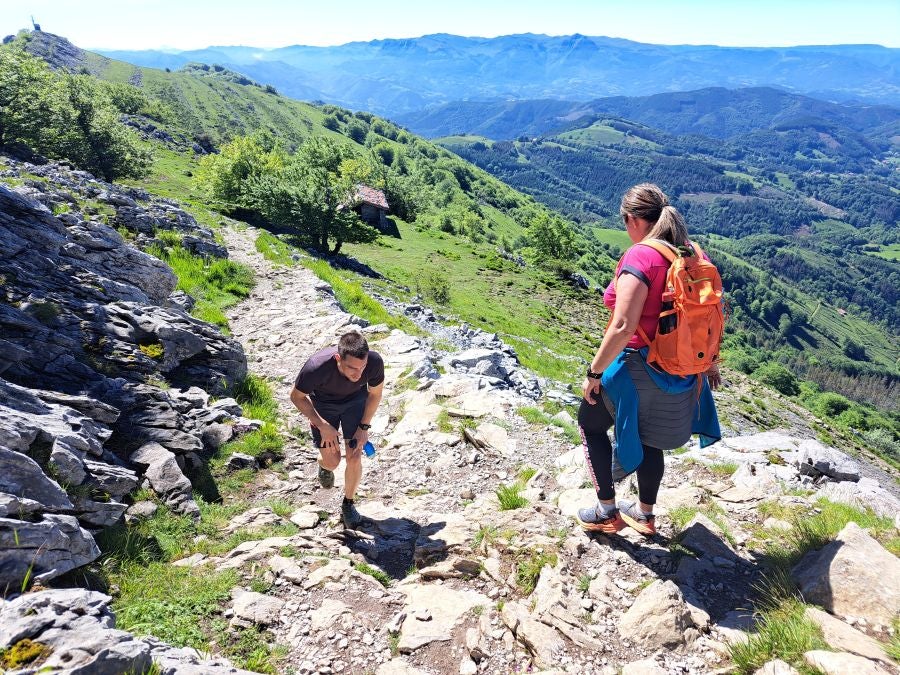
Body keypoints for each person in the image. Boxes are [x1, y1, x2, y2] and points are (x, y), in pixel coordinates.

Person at [577, 183, 721, 536]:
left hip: (638, 365)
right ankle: (644, 515)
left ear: (632, 220)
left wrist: (594, 373)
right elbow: (704, 317)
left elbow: (624, 325)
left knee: (590, 422)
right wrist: (709, 363)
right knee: (650, 437)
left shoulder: (641, 256)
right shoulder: (688, 253)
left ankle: (606, 510)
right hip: (682, 371)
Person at [290, 330, 385, 528]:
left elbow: (375, 394)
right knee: (332, 462)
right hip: (323, 407)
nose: (358, 374)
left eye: (362, 367)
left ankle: (348, 504)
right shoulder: (317, 367)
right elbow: (296, 396)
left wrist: (364, 427)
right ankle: (324, 465)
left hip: (355, 403)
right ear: (337, 358)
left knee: (355, 455)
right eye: (352, 368)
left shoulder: (374, 362)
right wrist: (322, 425)